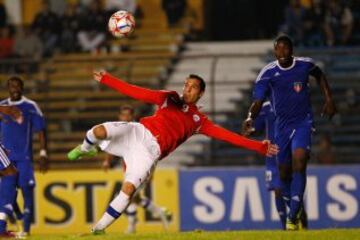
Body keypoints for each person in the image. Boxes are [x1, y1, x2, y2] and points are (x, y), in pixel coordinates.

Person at [67, 71, 279, 234]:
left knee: (129, 190)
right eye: (186, 85)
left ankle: (98, 229)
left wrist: (259, 146)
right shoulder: (169, 98)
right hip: (137, 132)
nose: (187, 90)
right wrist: (108, 80)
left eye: (192, 87)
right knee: (98, 131)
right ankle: (86, 149)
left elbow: (226, 136)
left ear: (201, 93)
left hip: (149, 153)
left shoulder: (199, 121)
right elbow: (139, 92)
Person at [242, 35, 336, 230]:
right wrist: (250, 118)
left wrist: (329, 99)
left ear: (292, 50)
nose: (282, 52)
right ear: (275, 51)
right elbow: (257, 102)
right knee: (284, 174)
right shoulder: (267, 73)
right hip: (281, 127)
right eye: (278, 49)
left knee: (299, 161)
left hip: (303, 122)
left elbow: (319, 75)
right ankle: (297, 207)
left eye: (286, 48)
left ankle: (292, 216)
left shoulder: (304, 65)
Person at [102, 105, 170, 233]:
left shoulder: (139, 130)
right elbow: (112, 145)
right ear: (119, 116)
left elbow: (152, 151)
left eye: (128, 115)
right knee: (135, 198)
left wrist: (152, 171)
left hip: (140, 169)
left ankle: (132, 226)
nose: (125, 117)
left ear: (132, 116)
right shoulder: (118, 128)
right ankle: (161, 212)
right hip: (128, 169)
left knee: (127, 196)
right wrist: (107, 161)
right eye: (123, 115)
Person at [0, 76, 48, 238]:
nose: (14, 89)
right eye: (11, 86)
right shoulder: (2, 106)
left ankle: (26, 230)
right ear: (8, 88)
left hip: (24, 157)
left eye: (17, 86)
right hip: (5, 157)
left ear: (22, 87)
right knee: (8, 192)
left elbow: (41, 130)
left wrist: (43, 152)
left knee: (26, 190)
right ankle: (17, 219)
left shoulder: (30, 106)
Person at [250, 101, 308, 230]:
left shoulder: (291, 102)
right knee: (278, 191)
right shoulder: (265, 107)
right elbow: (256, 127)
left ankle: (301, 218)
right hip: (272, 153)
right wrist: (250, 129)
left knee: (290, 187)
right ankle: (285, 227)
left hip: (288, 150)